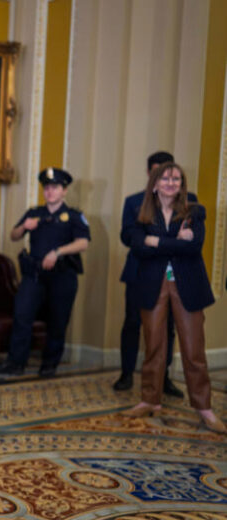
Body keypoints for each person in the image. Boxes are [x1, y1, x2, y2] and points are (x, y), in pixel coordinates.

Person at [121, 163, 225, 434]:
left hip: (187, 285)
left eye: (176, 178)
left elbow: (194, 246)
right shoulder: (139, 212)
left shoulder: (194, 211)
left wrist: (156, 242)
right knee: (154, 345)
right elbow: (137, 247)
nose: (170, 182)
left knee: (194, 350)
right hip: (153, 284)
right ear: (154, 184)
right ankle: (149, 400)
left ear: (181, 183)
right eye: (165, 178)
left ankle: (205, 408)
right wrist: (173, 243)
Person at [0, 168, 90, 377]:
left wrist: (57, 252)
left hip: (62, 275)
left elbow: (83, 243)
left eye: (55, 188)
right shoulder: (34, 213)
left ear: (64, 191)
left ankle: (49, 364)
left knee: (58, 320)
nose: (50, 192)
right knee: (22, 315)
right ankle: (15, 362)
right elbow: (13, 235)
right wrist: (23, 227)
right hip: (35, 274)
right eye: (46, 188)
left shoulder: (74, 216)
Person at [114, 151, 189, 397]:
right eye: (158, 172)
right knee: (133, 322)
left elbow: (187, 240)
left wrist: (153, 240)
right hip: (138, 270)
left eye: (169, 174)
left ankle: (163, 377)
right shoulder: (135, 201)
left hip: (170, 274)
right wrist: (156, 241)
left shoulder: (184, 203)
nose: (165, 179)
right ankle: (126, 374)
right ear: (150, 174)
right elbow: (128, 236)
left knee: (167, 327)